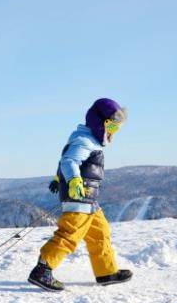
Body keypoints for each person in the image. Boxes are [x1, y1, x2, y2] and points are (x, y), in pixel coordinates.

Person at [28, 98, 133, 291]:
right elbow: (69, 161)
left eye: (117, 127)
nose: (113, 131)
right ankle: (43, 269)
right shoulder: (85, 141)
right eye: (112, 125)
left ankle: (106, 272)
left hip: (89, 198)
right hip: (79, 196)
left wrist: (58, 179)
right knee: (70, 234)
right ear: (100, 122)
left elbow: (68, 160)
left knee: (100, 233)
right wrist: (73, 180)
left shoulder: (90, 140)